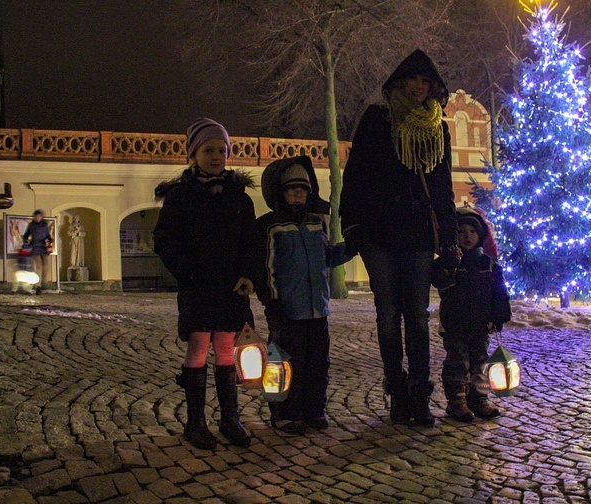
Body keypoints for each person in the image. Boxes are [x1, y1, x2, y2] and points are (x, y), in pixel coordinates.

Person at [339, 49, 459, 426]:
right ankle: (397, 390)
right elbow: (355, 174)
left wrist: (450, 239)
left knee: (419, 318)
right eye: (414, 80)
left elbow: (442, 188)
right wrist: (352, 225)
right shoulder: (379, 119)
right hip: (379, 234)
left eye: (427, 82)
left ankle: (419, 394)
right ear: (400, 82)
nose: (420, 87)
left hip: (419, 235)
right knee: (388, 316)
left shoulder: (437, 127)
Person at [153, 117, 264, 450]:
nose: (216, 156)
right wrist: (186, 271)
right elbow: (165, 239)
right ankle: (196, 423)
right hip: (198, 286)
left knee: (227, 350)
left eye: (221, 150)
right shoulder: (180, 197)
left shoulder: (239, 198)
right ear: (193, 154)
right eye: (208, 150)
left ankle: (230, 419)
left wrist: (248, 274)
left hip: (231, 287)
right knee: (199, 348)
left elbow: (252, 241)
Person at [256, 156, 354, 435]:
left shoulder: (315, 224)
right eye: (292, 190)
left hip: (317, 310)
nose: (298, 195)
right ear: (282, 193)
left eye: (303, 191)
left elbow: (326, 258)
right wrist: (272, 303)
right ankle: (284, 414)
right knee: (285, 364)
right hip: (288, 311)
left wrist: (349, 248)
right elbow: (268, 268)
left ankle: (314, 410)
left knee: (317, 364)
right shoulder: (272, 227)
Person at [432, 207, 511, 422]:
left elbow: (500, 293)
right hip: (455, 324)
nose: (467, 236)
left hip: (480, 324)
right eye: (462, 231)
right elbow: (438, 279)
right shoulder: (450, 263)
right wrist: (449, 262)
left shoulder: (489, 264)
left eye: (472, 232)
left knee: (480, 363)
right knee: (457, 363)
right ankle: (456, 401)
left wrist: (499, 316)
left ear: (480, 236)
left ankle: (479, 399)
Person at [22, 209, 53, 295]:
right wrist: (27, 241)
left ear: (41, 217)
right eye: (36, 216)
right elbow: (26, 235)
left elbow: (47, 235)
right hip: (35, 247)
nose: (37, 218)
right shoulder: (32, 225)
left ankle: (44, 282)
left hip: (44, 247)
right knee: (38, 266)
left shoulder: (44, 225)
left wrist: (50, 240)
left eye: (39, 216)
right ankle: (37, 285)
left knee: (46, 265)